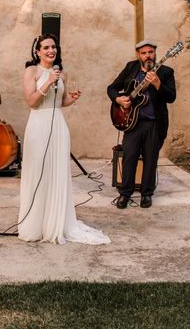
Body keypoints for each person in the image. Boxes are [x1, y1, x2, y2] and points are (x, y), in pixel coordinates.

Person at [17, 34, 110, 245]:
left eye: (54, 47)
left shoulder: (62, 73)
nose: (51, 51)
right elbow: (32, 101)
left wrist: (71, 99)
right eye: (46, 47)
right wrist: (48, 82)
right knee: (38, 170)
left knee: (57, 172)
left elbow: (60, 102)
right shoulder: (31, 71)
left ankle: (57, 222)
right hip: (38, 125)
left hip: (58, 125)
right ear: (37, 51)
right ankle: (36, 224)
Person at [107, 40, 176, 209]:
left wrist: (157, 84)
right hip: (132, 123)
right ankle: (125, 194)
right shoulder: (131, 68)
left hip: (154, 124)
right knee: (129, 157)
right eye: (144, 53)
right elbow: (112, 87)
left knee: (150, 159)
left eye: (151, 52)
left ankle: (146, 194)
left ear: (155, 53)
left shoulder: (166, 72)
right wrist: (118, 99)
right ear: (138, 55)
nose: (148, 56)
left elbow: (171, 97)